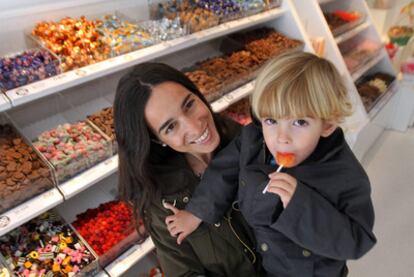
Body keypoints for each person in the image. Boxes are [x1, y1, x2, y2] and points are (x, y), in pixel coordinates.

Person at [164, 52, 377, 276]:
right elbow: (222, 172)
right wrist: (196, 213)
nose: (281, 137)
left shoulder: (344, 175)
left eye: (299, 122)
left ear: (327, 124)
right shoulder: (253, 140)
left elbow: (356, 241)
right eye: (271, 120)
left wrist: (300, 205)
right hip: (265, 265)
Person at [113, 62, 261, 277]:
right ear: (155, 139)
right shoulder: (164, 202)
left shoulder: (248, 140)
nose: (194, 126)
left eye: (189, 105)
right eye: (170, 127)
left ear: (196, 93)